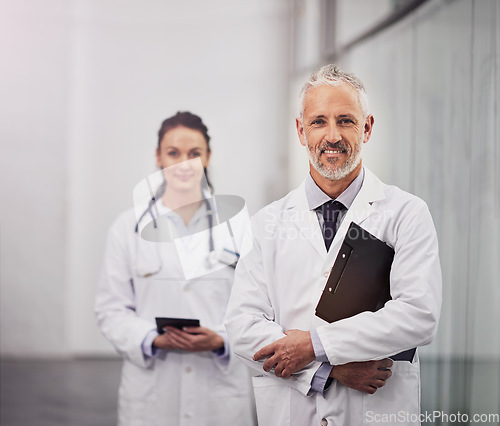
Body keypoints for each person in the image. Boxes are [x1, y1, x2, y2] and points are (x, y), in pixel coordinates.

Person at [224, 65, 442, 426]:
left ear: (367, 128)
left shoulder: (407, 214)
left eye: (346, 121)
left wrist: (313, 346)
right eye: (319, 121)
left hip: (378, 412)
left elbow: (419, 316)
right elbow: (243, 328)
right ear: (300, 131)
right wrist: (328, 371)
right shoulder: (266, 223)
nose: (332, 135)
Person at [95, 111, 254, 426]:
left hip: (219, 397)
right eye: (173, 153)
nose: (184, 163)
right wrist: (151, 339)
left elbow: (259, 311)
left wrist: (222, 339)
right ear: (158, 156)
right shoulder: (127, 228)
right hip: (152, 396)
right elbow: (110, 309)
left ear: (208, 157)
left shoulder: (238, 228)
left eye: (194, 153)